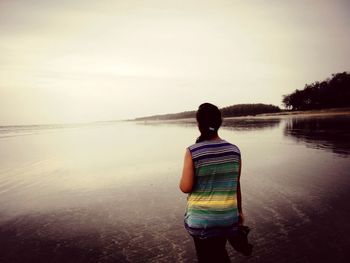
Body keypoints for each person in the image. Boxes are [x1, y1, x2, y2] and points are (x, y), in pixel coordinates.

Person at [179, 103, 244, 263]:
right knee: (218, 252)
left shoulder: (192, 151)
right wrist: (239, 212)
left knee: (207, 257)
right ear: (219, 123)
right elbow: (236, 185)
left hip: (202, 221)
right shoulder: (234, 150)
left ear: (199, 125)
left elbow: (185, 187)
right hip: (228, 218)